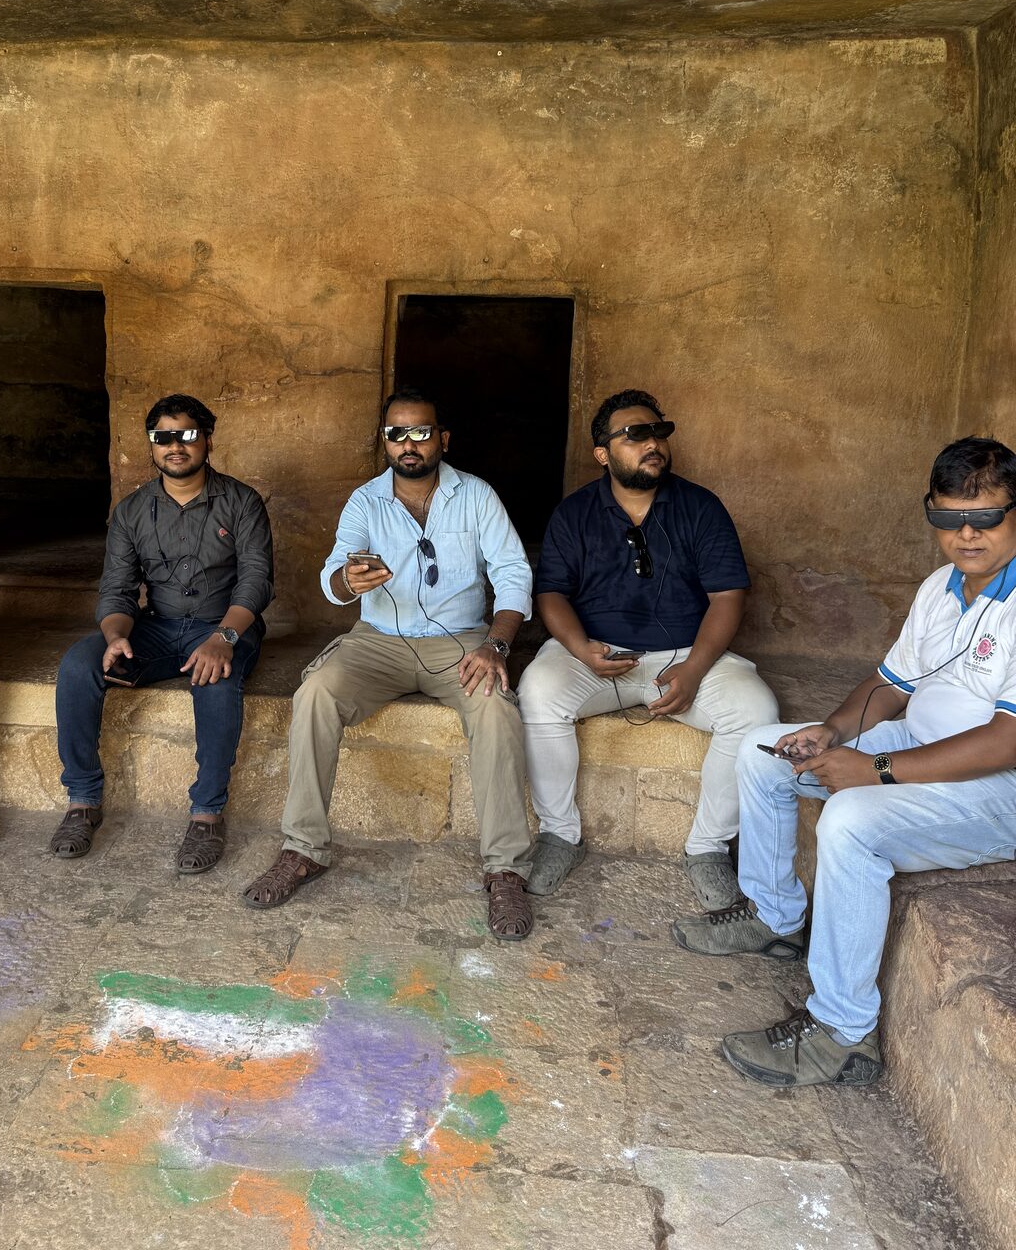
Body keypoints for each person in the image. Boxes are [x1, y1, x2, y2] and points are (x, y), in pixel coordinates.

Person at [673, 435, 1016, 1087]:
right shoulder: (942, 588)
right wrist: (831, 733)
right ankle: (774, 916)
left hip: (998, 792)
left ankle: (843, 1033)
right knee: (767, 749)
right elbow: (891, 685)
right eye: (948, 518)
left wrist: (876, 772)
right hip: (921, 746)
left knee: (852, 821)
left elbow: (1007, 740)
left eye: (986, 516)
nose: (965, 535)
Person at [242, 387, 537, 940]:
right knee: (315, 693)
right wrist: (346, 580)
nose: (408, 443)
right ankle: (303, 848)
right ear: (385, 441)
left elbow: (514, 572)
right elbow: (335, 573)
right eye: (396, 433)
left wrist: (496, 644)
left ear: (441, 439)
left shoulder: (475, 495)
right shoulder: (366, 501)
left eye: (420, 432)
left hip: (461, 640)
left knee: (495, 708)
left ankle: (505, 870)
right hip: (379, 638)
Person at [518, 388, 778, 907]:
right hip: (597, 656)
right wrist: (581, 649)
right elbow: (550, 593)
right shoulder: (574, 514)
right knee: (539, 691)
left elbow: (728, 596)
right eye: (635, 434)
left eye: (658, 432)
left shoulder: (700, 507)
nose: (652, 443)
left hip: (684, 656)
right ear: (603, 453)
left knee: (756, 710)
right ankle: (559, 834)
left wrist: (696, 669)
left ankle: (707, 848)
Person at [50, 393, 273, 872]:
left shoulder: (241, 501)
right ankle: (82, 801)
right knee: (77, 665)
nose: (175, 446)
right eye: (163, 437)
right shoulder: (132, 511)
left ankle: (207, 814)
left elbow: (256, 581)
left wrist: (224, 638)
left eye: (187, 435)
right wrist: (116, 635)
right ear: (152, 446)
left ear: (207, 441)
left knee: (215, 677)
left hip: (225, 626)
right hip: (157, 627)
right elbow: (117, 589)